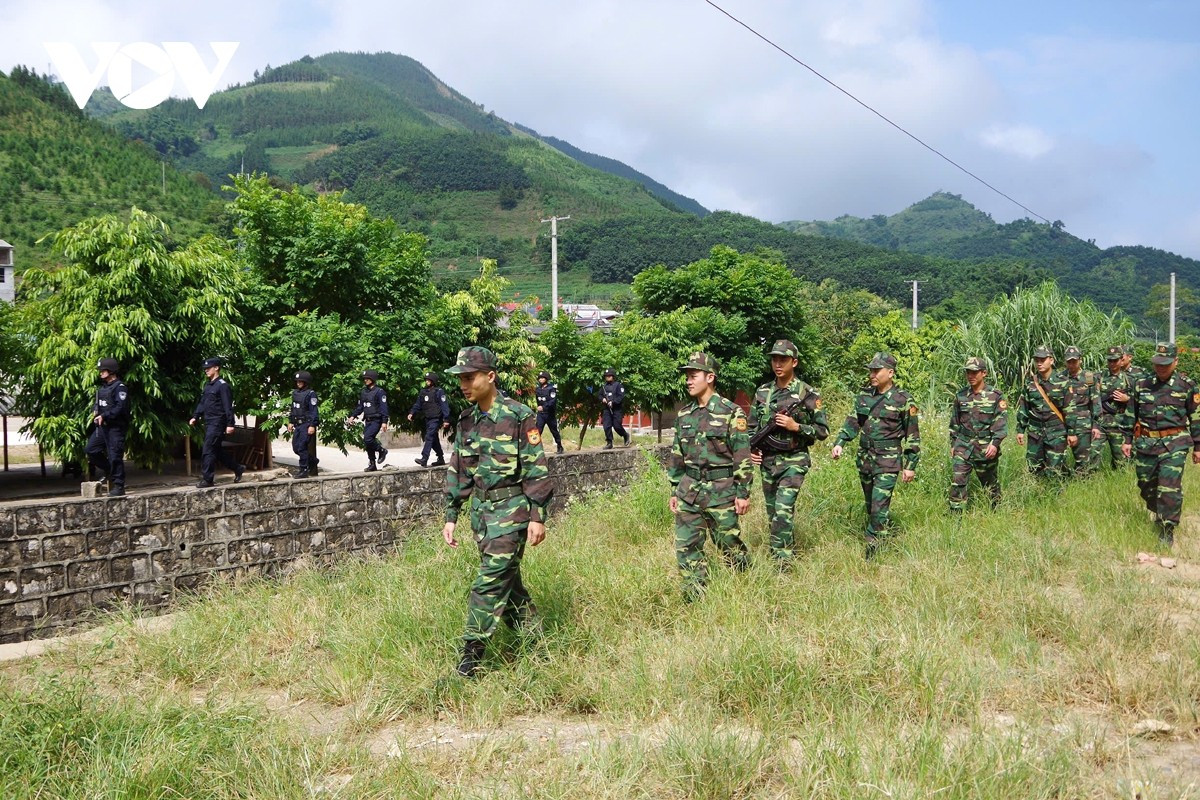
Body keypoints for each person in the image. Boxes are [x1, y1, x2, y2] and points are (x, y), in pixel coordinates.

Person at [443, 346, 553, 678]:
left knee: (489, 583)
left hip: (512, 513)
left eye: (469, 377)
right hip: (481, 515)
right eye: (460, 378)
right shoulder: (466, 421)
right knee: (510, 585)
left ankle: (470, 657)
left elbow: (537, 468)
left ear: (490, 377)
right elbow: (459, 470)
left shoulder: (519, 416)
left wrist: (537, 517)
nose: (464, 384)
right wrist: (451, 515)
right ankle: (539, 650)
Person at [667, 352, 753, 600]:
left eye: (694, 376)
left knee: (729, 545)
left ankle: (746, 586)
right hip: (689, 492)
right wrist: (674, 489)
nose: (688, 381)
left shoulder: (731, 413)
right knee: (686, 548)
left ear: (710, 377)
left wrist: (743, 493)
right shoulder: (684, 415)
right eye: (687, 377)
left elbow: (742, 456)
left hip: (721, 491)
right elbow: (677, 456)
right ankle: (694, 599)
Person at [831, 352, 921, 558]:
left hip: (888, 460)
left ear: (890, 373)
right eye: (870, 370)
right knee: (871, 503)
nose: (872, 374)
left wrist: (910, 465)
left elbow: (913, 435)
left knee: (879, 505)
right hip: (866, 458)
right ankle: (882, 530)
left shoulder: (904, 400)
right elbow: (854, 421)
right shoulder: (864, 396)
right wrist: (840, 443)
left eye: (876, 370)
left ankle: (873, 549)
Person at [748, 339, 828, 565]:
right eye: (774, 359)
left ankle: (782, 563)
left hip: (794, 460)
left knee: (783, 511)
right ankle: (783, 550)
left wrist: (797, 427)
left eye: (783, 359)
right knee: (774, 514)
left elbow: (823, 431)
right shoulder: (763, 392)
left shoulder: (808, 394)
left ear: (794, 362)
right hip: (768, 462)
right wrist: (752, 449)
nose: (777, 364)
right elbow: (751, 428)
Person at [1123, 342, 1200, 548]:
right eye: (1158, 363)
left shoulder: (1187, 386)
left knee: (1168, 488)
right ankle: (1160, 511)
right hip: (1147, 442)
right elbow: (1132, 414)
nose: (1161, 368)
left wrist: (1198, 446)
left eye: (1165, 364)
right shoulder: (1141, 384)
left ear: (1176, 361)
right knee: (1146, 484)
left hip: (1175, 443)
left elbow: (1196, 418)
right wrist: (1127, 441)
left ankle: (1167, 529)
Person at [948, 357, 1007, 512]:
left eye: (974, 372)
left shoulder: (995, 396)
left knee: (990, 484)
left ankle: (996, 511)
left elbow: (1000, 423)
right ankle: (956, 516)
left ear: (984, 373)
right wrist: (953, 444)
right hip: (963, 446)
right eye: (968, 372)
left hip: (985, 448)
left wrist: (995, 444)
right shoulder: (961, 396)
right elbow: (954, 421)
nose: (971, 375)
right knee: (958, 481)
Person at [1015, 346, 1071, 480]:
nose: (1039, 363)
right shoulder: (1030, 383)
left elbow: (1070, 409)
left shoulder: (1062, 382)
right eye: (1037, 360)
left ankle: (1057, 496)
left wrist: (1072, 432)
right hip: (1035, 433)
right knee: (1034, 469)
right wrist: (1020, 429)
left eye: (1043, 359)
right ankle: (1037, 495)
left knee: (1055, 470)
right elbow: (1024, 406)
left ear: (1051, 360)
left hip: (1056, 432)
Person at [188, 357, 244, 488]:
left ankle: (208, 479)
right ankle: (238, 468)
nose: (206, 371)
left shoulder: (223, 386)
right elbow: (203, 403)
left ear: (217, 368)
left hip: (218, 423)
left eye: (209, 368)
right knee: (216, 451)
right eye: (205, 369)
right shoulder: (208, 386)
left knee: (208, 449)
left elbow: (227, 406)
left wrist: (230, 424)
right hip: (209, 422)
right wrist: (195, 416)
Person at [85, 357, 130, 497]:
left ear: (110, 371)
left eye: (102, 370)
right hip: (103, 428)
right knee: (91, 450)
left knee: (115, 455)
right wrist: (96, 410)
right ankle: (110, 470)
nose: (100, 373)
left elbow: (120, 407)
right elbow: (99, 403)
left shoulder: (120, 387)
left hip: (115, 428)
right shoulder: (103, 388)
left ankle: (119, 486)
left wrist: (105, 416)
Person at [1092, 345, 1134, 468]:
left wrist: (1127, 399)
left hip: (1119, 425)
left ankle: (1120, 480)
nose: (1112, 363)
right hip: (1100, 423)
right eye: (1110, 360)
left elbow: (1139, 402)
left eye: (1115, 360)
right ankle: (1088, 478)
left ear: (1122, 360)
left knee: (1121, 460)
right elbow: (1092, 398)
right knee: (1091, 454)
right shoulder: (1098, 377)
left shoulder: (1130, 379)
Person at [1060, 345, 1099, 476]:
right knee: (1060, 458)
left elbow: (1095, 402)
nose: (1071, 364)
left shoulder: (1088, 377)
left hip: (1083, 423)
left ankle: (1083, 482)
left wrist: (1096, 425)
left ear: (1080, 360)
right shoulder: (1060, 378)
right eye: (1069, 361)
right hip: (1063, 422)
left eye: (1074, 361)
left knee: (1083, 459)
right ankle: (1063, 481)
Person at [347, 369, 389, 472]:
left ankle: (381, 450)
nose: (365, 380)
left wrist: (384, 421)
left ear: (373, 379)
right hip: (368, 420)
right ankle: (372, 463)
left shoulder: (379, 392)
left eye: (367, 378)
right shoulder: (364, 392)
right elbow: (360, 407)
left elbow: (384, 407)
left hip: (376, 420)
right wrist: (352, 416)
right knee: (367, 442)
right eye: (364, 378)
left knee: (368, 438)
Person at [407, 372, 450, 468]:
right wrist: (412, 413)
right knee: (433, 439)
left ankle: (424, 458)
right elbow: (418, 404)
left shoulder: (439, 391)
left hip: (436, 418)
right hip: (428, 419)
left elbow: (444, 406)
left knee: (429, 436)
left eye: (428, 380)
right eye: (426, 380)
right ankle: (440, 458)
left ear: (433, 381)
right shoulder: (423, 392)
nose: (426, 381)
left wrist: (446, 419)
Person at [288, 370, 319, 478]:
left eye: (300, 381)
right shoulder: (295, 393)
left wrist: (312, 425)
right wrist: (291, 422)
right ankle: (312, 460)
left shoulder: (311, 394)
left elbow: (314, 410)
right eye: (297, 381)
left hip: (306, 424)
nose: (298, 383)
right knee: (296, 448)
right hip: (298, 424)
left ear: (306, 382)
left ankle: (303, 470)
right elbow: (293, 409)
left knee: (302, 447)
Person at [599, 368, 630, 449]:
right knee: (606, 426)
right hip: (607, 409)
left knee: (617, 426)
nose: (607, 377)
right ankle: (609, 442)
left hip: (616, 409)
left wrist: (613, 402)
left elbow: (621, 397)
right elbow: (599, 395)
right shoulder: (604, 387)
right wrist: (603, 399)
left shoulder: (618, 385)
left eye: (609, 376)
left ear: (613, 376)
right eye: (606, 376)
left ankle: (625, 435)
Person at [534, 371, 565, 454]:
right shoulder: (537, 389)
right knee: (537, 431)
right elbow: (538, 400)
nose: (541, 379)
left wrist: (543, 407)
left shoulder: (551, 389)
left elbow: (552, 401)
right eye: (540, 378)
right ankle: (535, 449)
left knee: (554, 430)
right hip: (541, 414)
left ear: (546, 379)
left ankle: (559, 446)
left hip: (549, 414)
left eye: (543, 378)